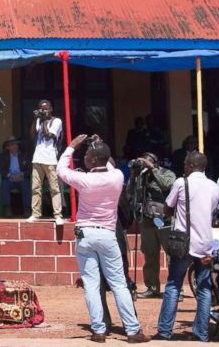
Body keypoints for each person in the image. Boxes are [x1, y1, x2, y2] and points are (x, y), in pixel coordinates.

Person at [57, 134, 147, 343]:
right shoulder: (116, 177)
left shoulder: (84, 180)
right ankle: (132, 331)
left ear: (94, 161)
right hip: (107, 234)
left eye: (88, 155)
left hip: (86, 235)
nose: (85, 158)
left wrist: (71, 146)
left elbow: (61, 170)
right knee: (119, 285)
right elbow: (110, 163)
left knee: (91, 284)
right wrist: (99, 145)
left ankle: (98, 330)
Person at [153, 151, 219, 342]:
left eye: (184, 164)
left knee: (174, 285)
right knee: (204, 288)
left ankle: (165, 331)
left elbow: (167, 207)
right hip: (205, 243)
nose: (183, 167)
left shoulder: (182, 183)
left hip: (184, 243)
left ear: (190, 166)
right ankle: (201, 333)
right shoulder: (214, 187)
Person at [128, 152, 176, 299]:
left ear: (154, 162)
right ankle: (152, 287)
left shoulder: (166, 173)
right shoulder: (141, 177)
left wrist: (152, 169)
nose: (144, 164)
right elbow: (129, 192)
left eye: (146, 161)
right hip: (148, 220)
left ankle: (175, 288)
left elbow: (166, 185)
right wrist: (134, 175)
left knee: (171, 255)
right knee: (149, 254)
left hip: (165, 220)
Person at [27, 99, 65, 225]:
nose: (44, 111)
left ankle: (58, 214)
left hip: (50, 159)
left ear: (51, 109)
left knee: (54, 188)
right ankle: (35, 214)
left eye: (46, 108)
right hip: (37, 158)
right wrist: (34, 119)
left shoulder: (57, 121)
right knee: (36, 188)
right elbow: (32, 136)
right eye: (42, 109)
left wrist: (43, 120)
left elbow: (49, 135)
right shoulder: (39, 120)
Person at [0, 137, 30, 217]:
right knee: (4, 185)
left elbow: (29, 169)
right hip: (9, 178)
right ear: (8, 147)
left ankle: (27, 209)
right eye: (12, 145)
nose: (15, 146)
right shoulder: (3, 156)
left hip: (21, 178)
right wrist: (10, 175)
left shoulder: (24, 155)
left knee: (26, 185)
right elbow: (1, 170)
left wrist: (21, 174)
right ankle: (7, 208)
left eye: (16, 144)